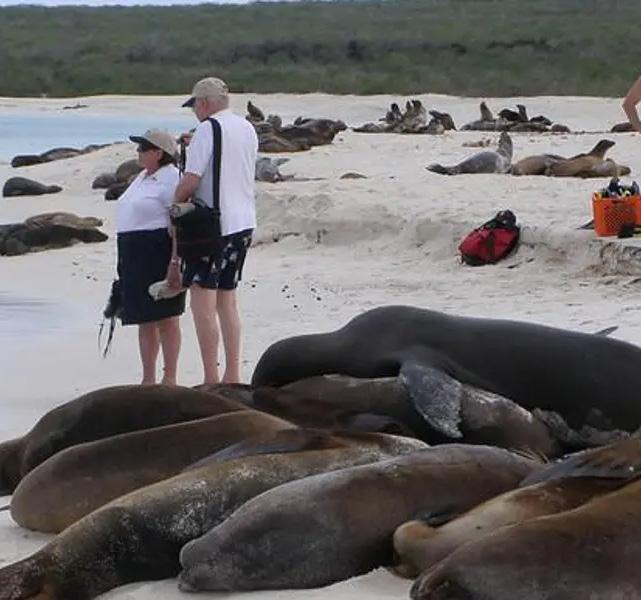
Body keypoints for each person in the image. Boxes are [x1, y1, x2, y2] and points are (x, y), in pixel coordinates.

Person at [169, 77, 258, 385]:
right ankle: (232, 373)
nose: (195, 111)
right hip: (243, 220)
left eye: (195, 105)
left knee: (202, 302)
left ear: (204, 103)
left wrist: (174, 205)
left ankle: (211, 377)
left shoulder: (208, 129)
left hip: (212, 225)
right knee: (227, 299)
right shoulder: (246, 127)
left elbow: (191, 180)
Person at [115, 128, 185, 385]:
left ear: (158, 153)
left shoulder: (171, 178)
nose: (138, 152)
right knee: (143, 317)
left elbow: (178, 222)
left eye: (143, 148)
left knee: (166, 316)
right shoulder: (143, 177)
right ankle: (148, 378)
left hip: (156, 248)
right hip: (132, 250)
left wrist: (175, 261)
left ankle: (170, 376)